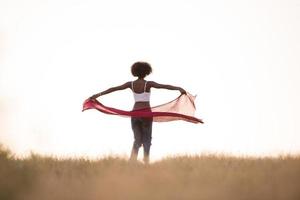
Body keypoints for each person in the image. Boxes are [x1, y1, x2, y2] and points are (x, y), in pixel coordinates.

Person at [89, 61, 187, 164]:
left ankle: (132, 162)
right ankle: (146, 162)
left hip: (135, 114)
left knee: (137, 140)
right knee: (147, 140)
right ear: (146, 72)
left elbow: (113, 89)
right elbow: (164, 86)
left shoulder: (131, 84)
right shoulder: (148, 84)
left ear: (134, 72)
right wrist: (179, 88)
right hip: (146, 114)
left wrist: (97, 95)